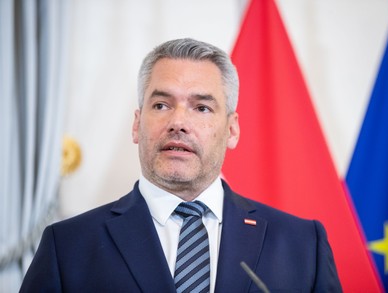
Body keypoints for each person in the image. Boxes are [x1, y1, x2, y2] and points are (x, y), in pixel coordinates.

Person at [20, 38, 342, 292]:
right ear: (137, 125)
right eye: (161, 105)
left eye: (201, 108)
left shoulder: (302, 244)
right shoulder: (68, 247)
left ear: (231, 130)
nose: (178, 122)